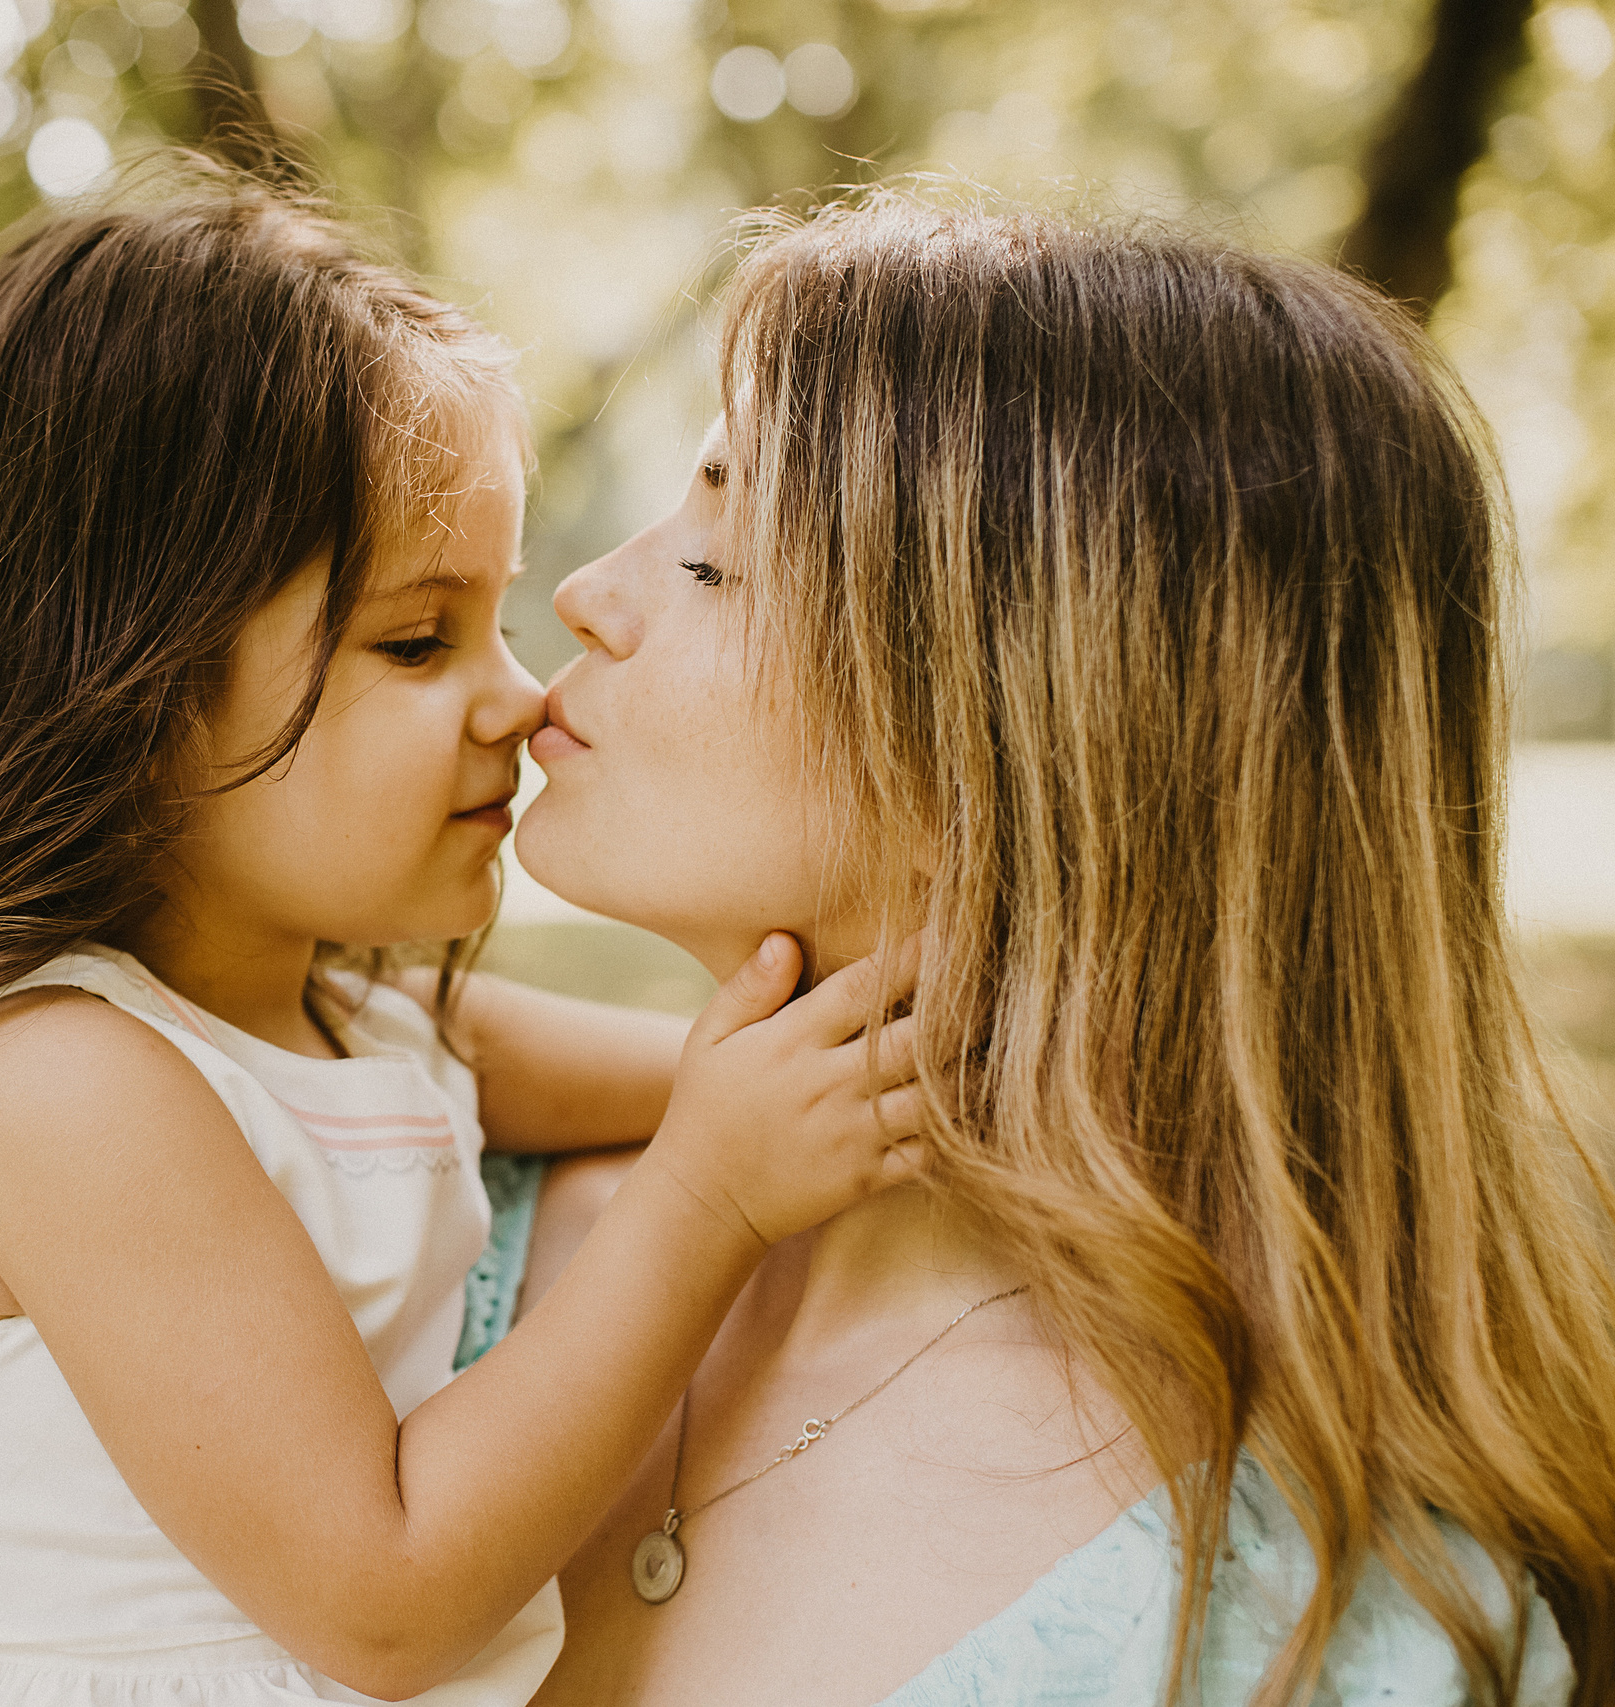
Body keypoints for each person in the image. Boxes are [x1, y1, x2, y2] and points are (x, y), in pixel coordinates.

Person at [0, 174, 933, 1707]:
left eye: (496, 621)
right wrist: (714, 1198)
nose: (516, 698)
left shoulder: (361, 1023)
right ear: (121, 690)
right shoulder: (60, 1088)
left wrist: (844, 1082)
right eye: (417, 640)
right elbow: (387, 1600)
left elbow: (692, 1082)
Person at [495, 194, 1613, 1705]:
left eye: (714, 559)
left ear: (1011, 743)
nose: (586, 596)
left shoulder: (1327, 1629)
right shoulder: (390, 1227)